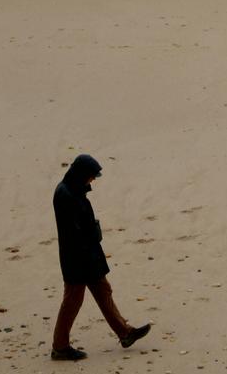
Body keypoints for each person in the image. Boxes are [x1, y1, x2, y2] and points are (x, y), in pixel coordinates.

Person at [50, 153, 151, 361]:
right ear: (81, 174)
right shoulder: (65, 195)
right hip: (77, 260)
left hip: (86, 257)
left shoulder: (73, 190)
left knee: (103, 291)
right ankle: (60, 347)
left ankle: (125, 333)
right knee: (72, 301)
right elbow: (74, 234)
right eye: (91, 176)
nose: (92, 180)